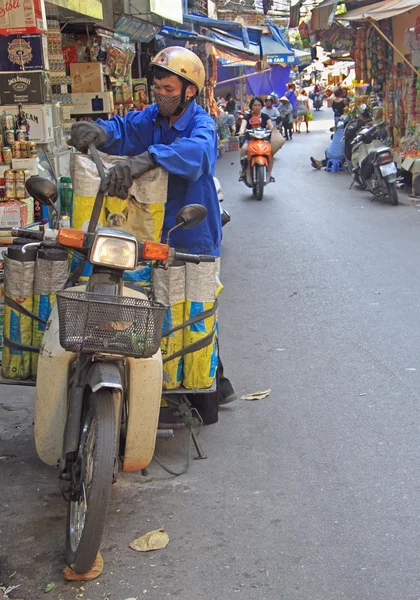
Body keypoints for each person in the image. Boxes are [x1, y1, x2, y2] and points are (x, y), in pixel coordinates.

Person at [68, 46, 236, 422]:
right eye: (156, 87)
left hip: (191, 232)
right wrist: (98, 130)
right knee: (148, 305)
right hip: (149, 229)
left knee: (193, 309)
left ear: (188, 91)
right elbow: (124, 129)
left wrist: (149, 158)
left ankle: (210, 387)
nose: (158, 93)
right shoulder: (151, 118)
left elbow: (197, 155)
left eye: (167, 88)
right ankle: (148, 386)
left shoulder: (201, 124)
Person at [238, 96, 276, 182]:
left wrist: (274, 131)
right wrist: (241, 131)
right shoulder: (247, 116)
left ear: (261, 106)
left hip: (263, 140)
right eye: (255, 105)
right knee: (244, 149)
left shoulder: (265, 116)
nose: (257, 107)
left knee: (271, 153)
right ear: (251, 106)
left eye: (259, 105)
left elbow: (271, 126)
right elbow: (243, 125)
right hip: (250, 139)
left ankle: (270, 174)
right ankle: (244, 172)